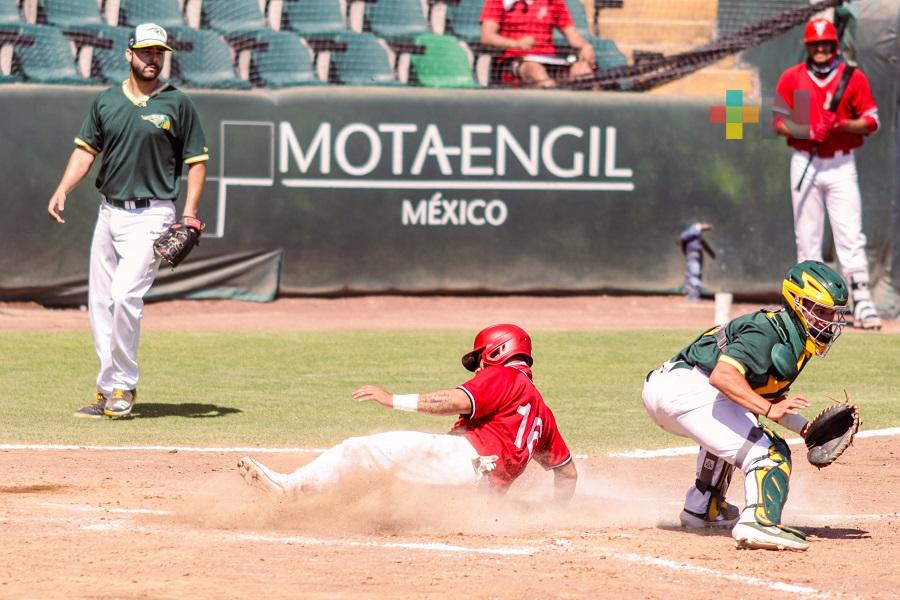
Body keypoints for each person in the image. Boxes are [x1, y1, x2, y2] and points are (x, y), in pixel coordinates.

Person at [47, 23, 209, 419]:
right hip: (109, 212)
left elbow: (198, 163)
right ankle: (106, 390)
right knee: (100, 303)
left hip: (152, 214)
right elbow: (85, 152)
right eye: (146, 51)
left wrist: (189, 214)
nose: (153, 58)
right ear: (129, 53)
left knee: (124, 296)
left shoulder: (177, 103)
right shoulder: (106, 101)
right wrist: (63, 188)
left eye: (160, 52)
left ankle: (125, 384)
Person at [642, 260, 849, 551]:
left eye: (833, 314)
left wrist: (805, 428)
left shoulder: (795, 338)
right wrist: (768, 411)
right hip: (686, 390)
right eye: (821, 311)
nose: (828, 321)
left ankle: (703, 507)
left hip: (677, 391)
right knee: (770, 452)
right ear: (797, 302)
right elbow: (724, 376)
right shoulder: (768, 330)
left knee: (736, 425)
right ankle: (760, 523)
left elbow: (758, 395)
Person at [238, 324, 578, 501]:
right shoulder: (541, 412)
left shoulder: (503, 376)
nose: (478, 369)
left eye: (479, 359)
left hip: (462, 460)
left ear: (498, 351)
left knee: (361, 450)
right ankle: (318, 506)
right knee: (386, 484)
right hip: (479, 495)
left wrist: (392, 399)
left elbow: (455, 400)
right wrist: (553, 514)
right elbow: (567, 474)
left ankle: (291, 489)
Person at [772, 17, 881, 330]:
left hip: (841, 164)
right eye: (815, 43)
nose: (820, 48)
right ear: (808, 46)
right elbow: (778, 123)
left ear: (835, 45)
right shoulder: (793, 77)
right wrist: (807, 129)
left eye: (826, 43)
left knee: (850, 235)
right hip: (805, 158)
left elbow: (872, 121)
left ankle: (862, 302)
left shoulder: (853, 77)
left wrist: (841, 125)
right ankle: (809, 309)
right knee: (807, 237)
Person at [480, 0, 597, 88]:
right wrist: (516, 44)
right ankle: (554, 104)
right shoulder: (497, 1)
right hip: (516, 61)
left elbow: (573, 36)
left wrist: (585, 46)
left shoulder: (553, 2)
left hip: (550, 60)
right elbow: (487, 37)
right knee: (535, 69)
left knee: (583, 71)